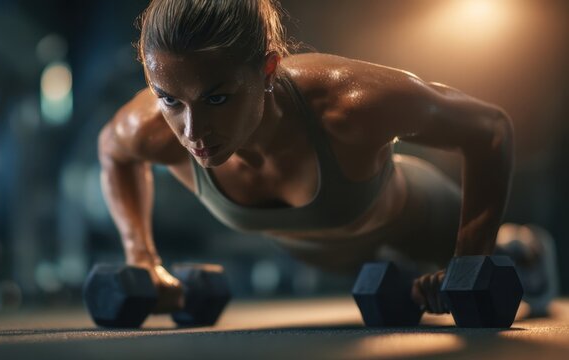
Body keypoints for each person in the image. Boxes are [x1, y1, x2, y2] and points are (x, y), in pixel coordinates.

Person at [97, 0, 557, 317]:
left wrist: (470, 261)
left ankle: (520, 246)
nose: (192, 133)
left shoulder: (348, 103)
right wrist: (142, 258)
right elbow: (112, 153)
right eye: (169, 99)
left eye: (218, 99)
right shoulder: (148, 126)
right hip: (338, 262)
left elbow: (489, 129)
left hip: (413, 219)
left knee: (497, 255)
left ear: (268, 69)